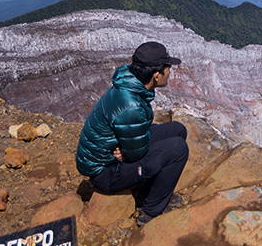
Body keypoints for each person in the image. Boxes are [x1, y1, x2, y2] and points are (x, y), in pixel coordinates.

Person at [75, 41, 189, 226]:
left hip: (110, 156)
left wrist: (126, 150)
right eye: (168, 68)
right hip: (105, 172)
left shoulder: (130, 84)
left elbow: (135, 140)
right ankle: (150, 210)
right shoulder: (131, 105)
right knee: (178, 148)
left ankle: (152, 191)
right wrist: (127, 153)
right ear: (156, 75)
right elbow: (137, 152)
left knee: (177, 129)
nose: (170, 72)